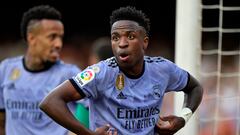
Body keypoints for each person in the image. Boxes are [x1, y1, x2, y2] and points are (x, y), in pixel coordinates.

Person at [40, 6, 203, 135]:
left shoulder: (163, 69)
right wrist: (88, 133)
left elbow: (195, 87)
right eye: (115, 37)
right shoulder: (100, 73)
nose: (122, 43)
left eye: (130, 36)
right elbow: (50, 102)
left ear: (144, 42)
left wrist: (183, 118)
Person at [0, 5, 82, 135]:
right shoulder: (6, 69)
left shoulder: (70, 73)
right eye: (52, 37)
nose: (59, 44)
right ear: (31, 38)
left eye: (61, 37)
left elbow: (94, 107)